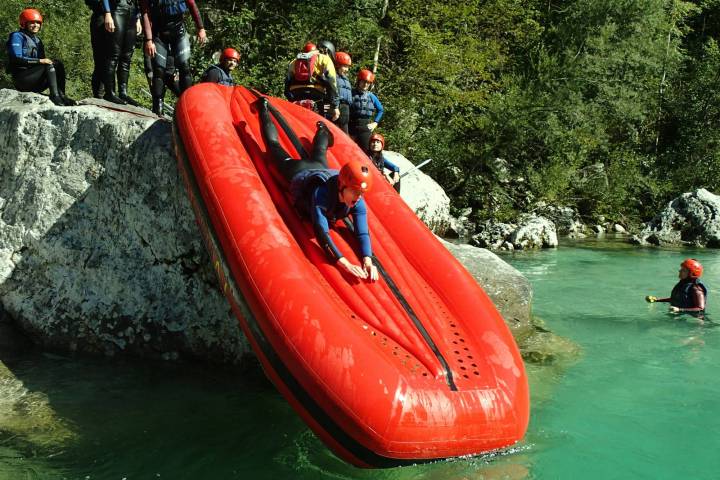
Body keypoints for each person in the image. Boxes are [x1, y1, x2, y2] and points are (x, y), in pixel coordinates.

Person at [257, 97, 378, 282]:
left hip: (321, 168)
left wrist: (367, 259)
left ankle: (323, 129)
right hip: (298, 171)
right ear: (342, 186)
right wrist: (344, 262)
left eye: (361, 193)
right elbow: (321, 231)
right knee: (274, 147)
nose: (359, 197)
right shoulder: (321, 194)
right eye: (355, 192)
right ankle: (263, 108)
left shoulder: (357, 201)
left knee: (320, 152)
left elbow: (362, 231)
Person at [139, 0, 207, 115]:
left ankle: (188, 105)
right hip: (158, 34)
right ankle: (157, 108)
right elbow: (145, 13)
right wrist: (149, 40)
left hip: (178, 32)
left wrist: (200, 28)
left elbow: (191, 4)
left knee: (185, 67)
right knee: (159, 70)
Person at [6, 8, 76, 106]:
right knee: (46, 64)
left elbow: (43, 64)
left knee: (57, 64)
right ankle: (54, 96)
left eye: (38, 23)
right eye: (32, 23)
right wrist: (40, 61)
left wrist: (43, 62)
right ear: (24, 23)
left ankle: (62, 96)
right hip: (22, 79)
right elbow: (16, 59)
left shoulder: (38, 41)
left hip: (35, 81)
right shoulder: (17, 36)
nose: (36, 25)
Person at [88, 0, 141, 105]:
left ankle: (122, 93)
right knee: (103, 60)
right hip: (105, 14)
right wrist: (107, 13)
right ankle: (102, 96)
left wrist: (138, 17)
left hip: (127, 11)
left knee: (125, 56)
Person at [284, 41, 339, 122]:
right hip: (316, 95)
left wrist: (292, 100)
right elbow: (331, 83)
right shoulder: (324, 59)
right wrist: (335, 106)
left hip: (296, 95)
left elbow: (286, 85)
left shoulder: (294, 62)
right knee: (317, 123)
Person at [349, 68, 384, 153]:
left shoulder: (371, 96)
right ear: (359, 81)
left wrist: (375, 123)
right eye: (364, 81)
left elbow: (381, 110)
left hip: (365, 127)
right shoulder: (350, 93)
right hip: (351, 126)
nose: (366, 84)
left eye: (368, 83)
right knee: (348, 149)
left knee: (367, 151)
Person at [334, 51, 352, 134]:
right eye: (345, 66)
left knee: (345, 135)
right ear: (337, 65)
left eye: (348, 67)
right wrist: (335, 107)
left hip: (345, 110)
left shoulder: (346, 79)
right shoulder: (332, 77)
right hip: (336, 107)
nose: (347, 70)